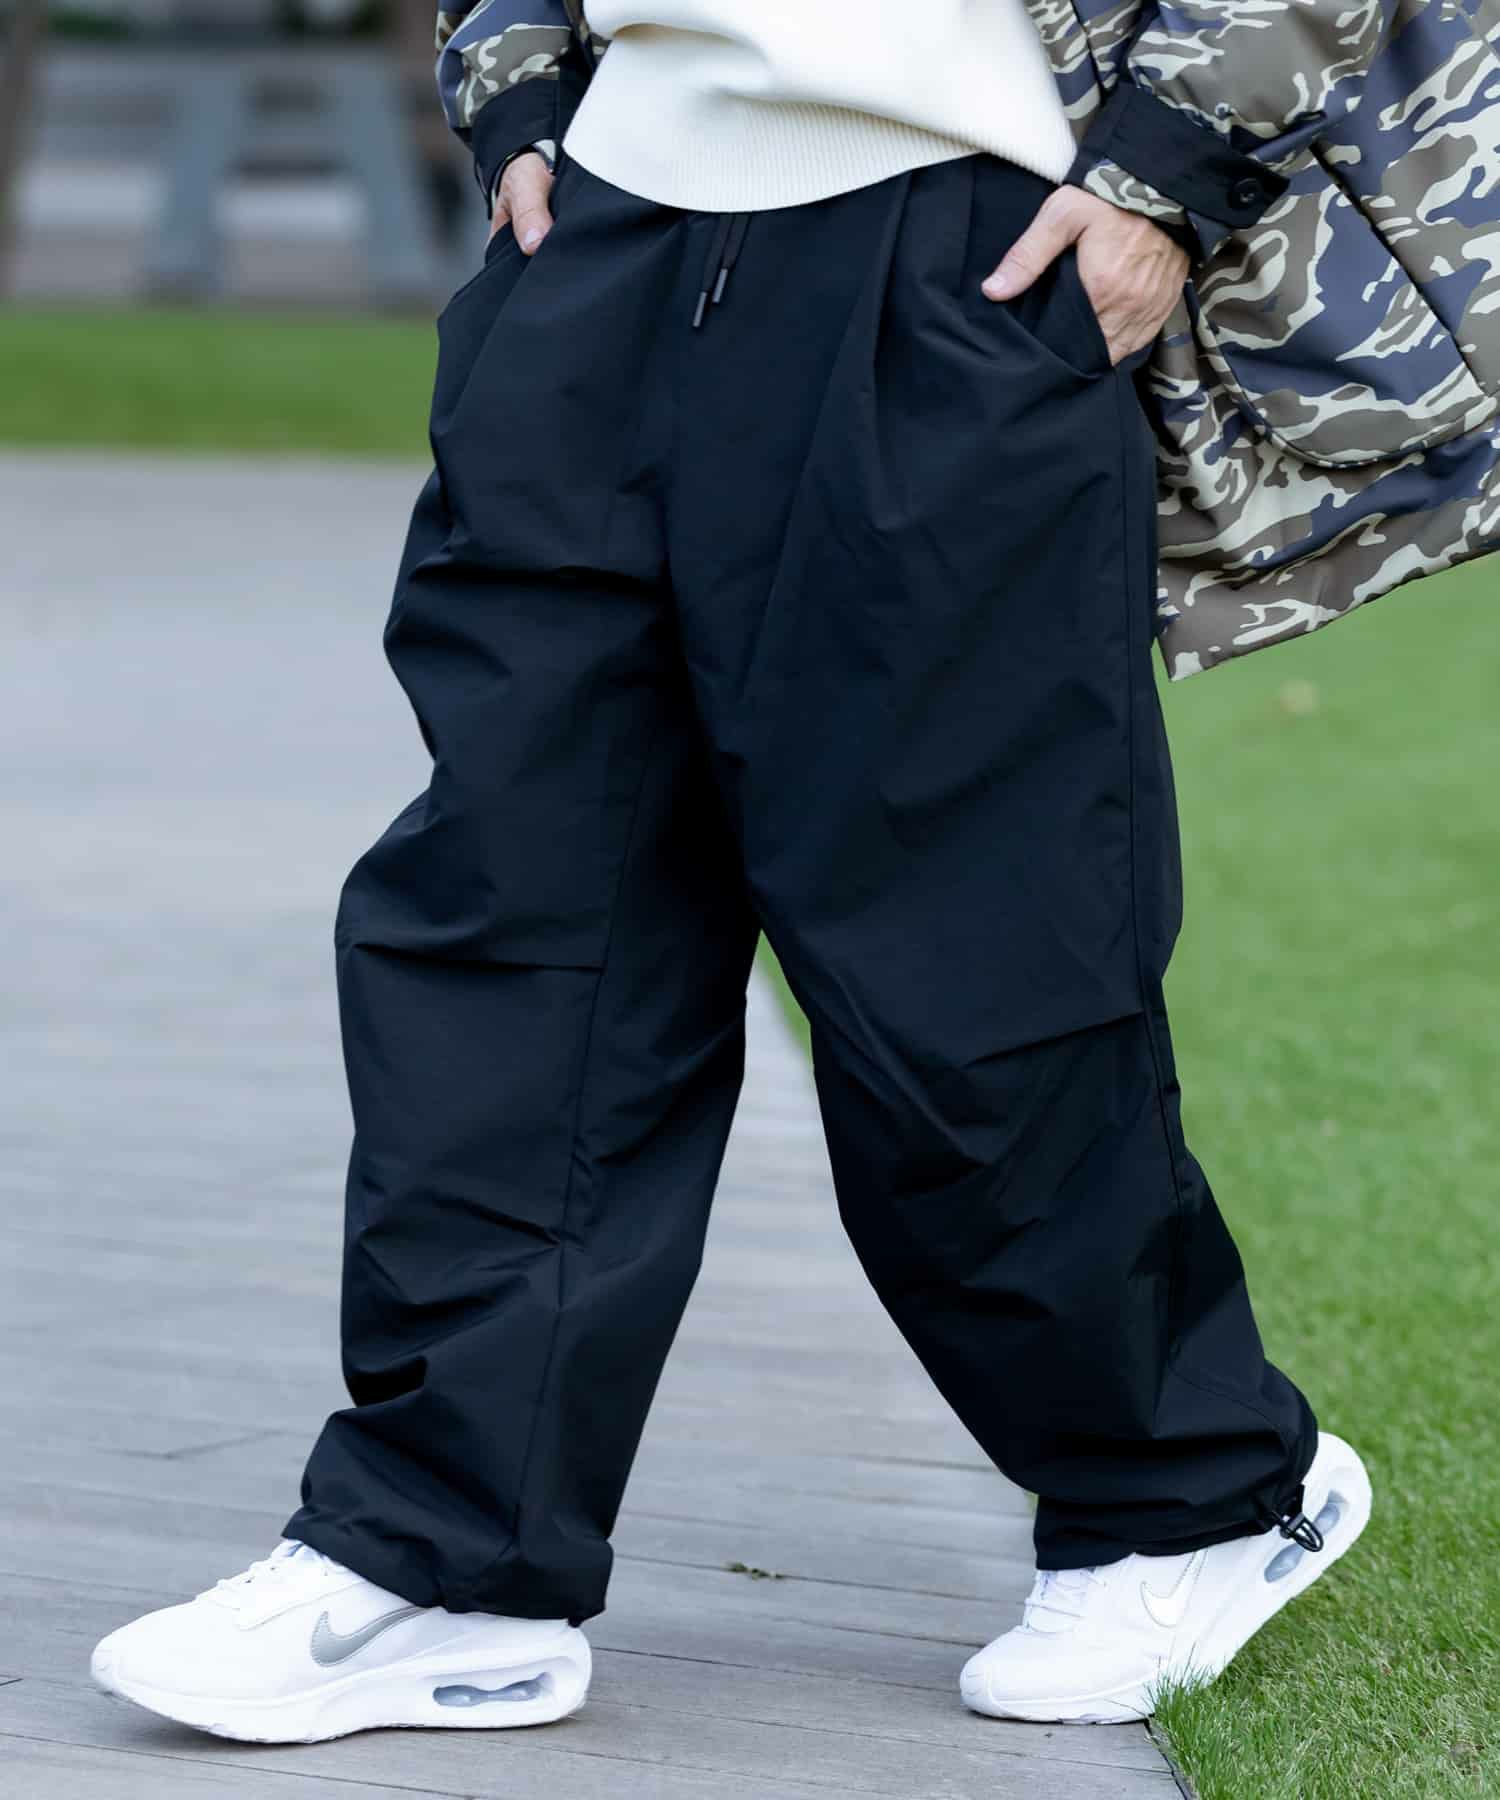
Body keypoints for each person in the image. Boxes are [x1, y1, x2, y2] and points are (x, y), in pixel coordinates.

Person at [109, 0, 1500, 1742]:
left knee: (961, 948)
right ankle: (441, 1556)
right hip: (605, 232)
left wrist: (1164, 171)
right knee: (515, 931)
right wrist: (520, 92)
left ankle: (1188, 1495)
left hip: (963, 248)